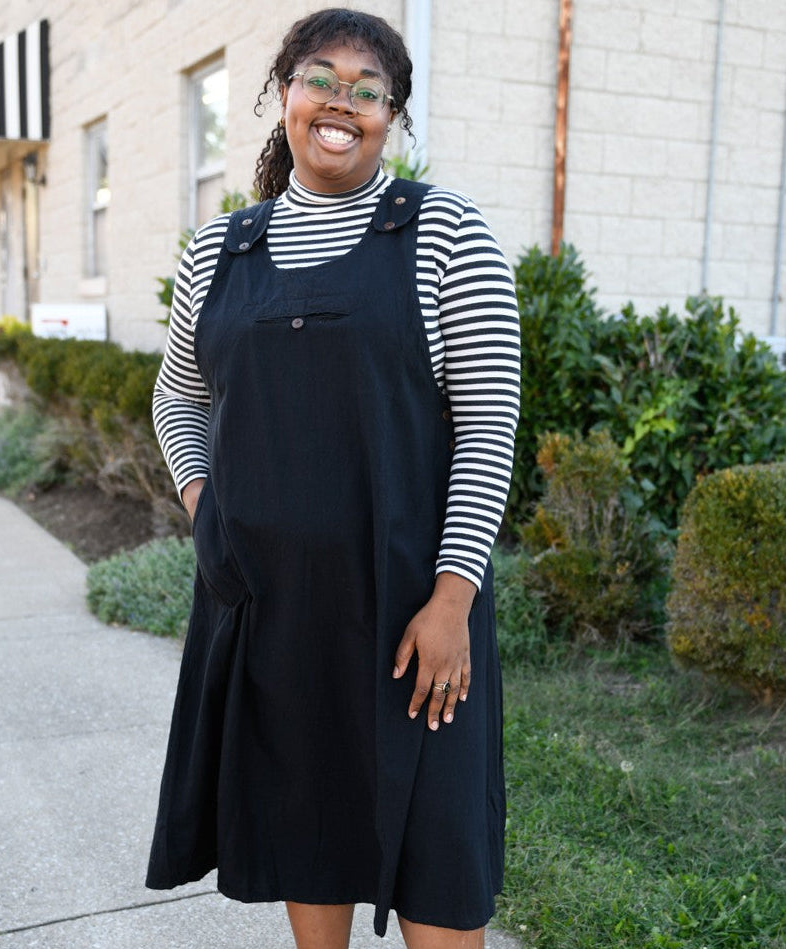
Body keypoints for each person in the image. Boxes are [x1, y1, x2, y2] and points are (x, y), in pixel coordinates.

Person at [146, 8, 520, 949]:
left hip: (413, 620)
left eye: (368, 89)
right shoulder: (219, 250)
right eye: (321, 78)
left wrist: (451, 600)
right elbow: (176, 400)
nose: (341, 102)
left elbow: (487, 424)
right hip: (275, 614)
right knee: (309, 846)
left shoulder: (444, 231)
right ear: (283, 97)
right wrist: (206, 513)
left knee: (441, 876)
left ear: (391, 115)